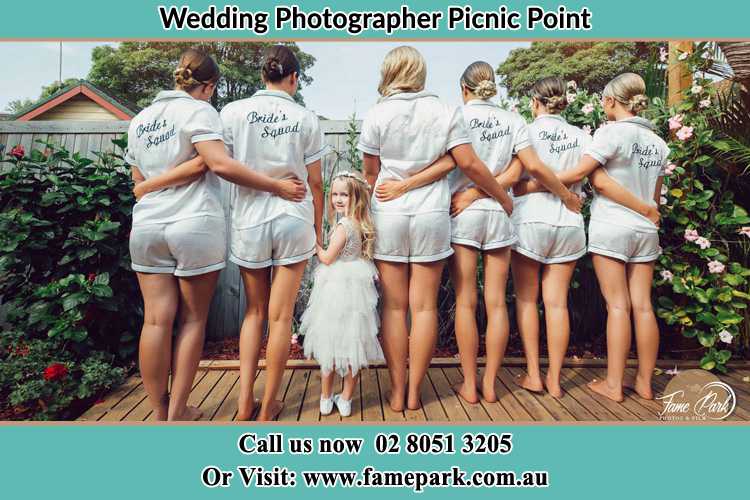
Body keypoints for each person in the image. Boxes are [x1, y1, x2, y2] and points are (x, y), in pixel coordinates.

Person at [126, 49, 302, 421]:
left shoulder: (140, 120)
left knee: (155, 320)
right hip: (192, 223)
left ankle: (159, 412)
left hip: (146, 226)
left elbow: (138, 182)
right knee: (192, 319)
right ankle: (178, 412)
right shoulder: (200, 111)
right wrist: (276, 186)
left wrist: (153, 185)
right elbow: (218, 164)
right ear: (208, 86)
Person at [358, 46, 519, 412]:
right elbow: (466, 163)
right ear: (420, 73)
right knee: (425, 307)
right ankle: (416, 392)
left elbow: (371, 173)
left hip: (390, 212)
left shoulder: (376, 114)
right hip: (432, 213)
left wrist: (395, 187)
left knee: (394, 308)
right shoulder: (446, 111)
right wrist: (502, 197)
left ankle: (397, 392)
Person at [514, 73, 667, 402]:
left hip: (571, 222)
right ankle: (563, 380)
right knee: (635, 306)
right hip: (613, 227)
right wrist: (646, 210)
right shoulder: (656, 143)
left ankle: (535, 374)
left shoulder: (531, 132)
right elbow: (654, 196)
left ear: (534, 103)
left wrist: (531, 185)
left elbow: (595, 180)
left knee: (533, 300)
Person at [446, 67, 582, 404]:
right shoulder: (514, 120)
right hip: (500, 214)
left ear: (464, 88)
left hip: (463, 213)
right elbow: (519, 168)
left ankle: (469, 383)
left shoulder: (456, 115)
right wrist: (497, 193)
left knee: (466, 301)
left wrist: (473, 193)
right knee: (495, 303)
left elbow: (454, 162)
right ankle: (491, 383)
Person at [218, 45, 327, 421]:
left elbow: (225, 166)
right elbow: (316, 184)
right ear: (293, 78)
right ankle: (268, 409)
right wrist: (317, 231)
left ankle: (245, 401)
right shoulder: (306, 118)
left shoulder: (233, 113)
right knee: (281, 318)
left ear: (263, 76)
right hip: (294, 218)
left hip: (250, 219)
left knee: (254, 313)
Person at [300, 171, 384, 417]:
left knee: (331, 343)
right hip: (356, 292)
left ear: (355, 197)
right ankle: (345, 399)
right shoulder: (360, 224)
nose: (337, 199)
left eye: (344, 195)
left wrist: (313, 242)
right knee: (353, 344)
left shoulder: (343, 226)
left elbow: (326, 258)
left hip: (337, 290)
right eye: (334, 194)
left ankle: (326, 398)